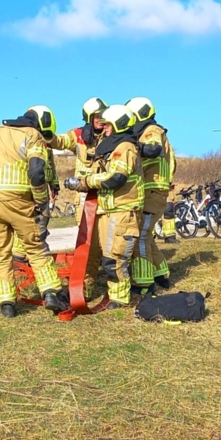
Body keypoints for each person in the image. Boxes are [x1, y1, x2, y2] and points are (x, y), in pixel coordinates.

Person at [0, 106, 64, 318]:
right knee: (35, 248)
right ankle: (51, 293)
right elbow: (36, 171)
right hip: (18, 198)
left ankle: (7, 304)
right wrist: (41, 200)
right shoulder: (32, 135)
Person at [65, 104, 143, 308]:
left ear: (119, 125)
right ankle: (82, 291)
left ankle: (119, 297)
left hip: (122, 212)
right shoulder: (112, 146)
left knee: (114, 258)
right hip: (106, 211)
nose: (105, 129)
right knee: (90, 255)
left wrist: (86, 181)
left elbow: (116, 177)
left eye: (108, 125)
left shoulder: (125, 147)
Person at [125, 97, 175, 291]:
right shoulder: (149, 131)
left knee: (141, 236)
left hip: (152, 191)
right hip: (153, 191)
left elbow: (153, 149)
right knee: (148, 236)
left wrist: (132, 147)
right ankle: (160, 273)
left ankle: (144, 282)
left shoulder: (151, 130)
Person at [50, 97, 108, 226]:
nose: (100, 120)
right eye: (97, 116)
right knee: (85, 235)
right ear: (89, 117)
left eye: (103, 115)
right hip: (84, 193)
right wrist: (44, 135)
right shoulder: (78, 135)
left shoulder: (112, 136)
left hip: (105, 191)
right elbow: (60, 141)